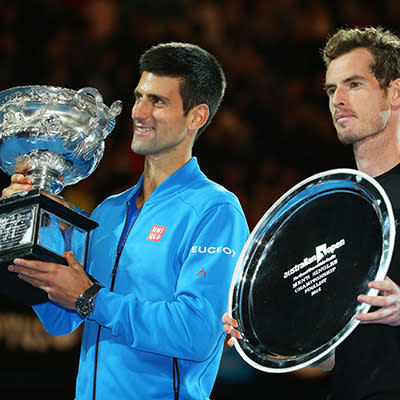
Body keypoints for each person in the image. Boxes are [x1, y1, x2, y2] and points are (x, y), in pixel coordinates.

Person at [4, 42, 249, 400]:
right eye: (139, 97)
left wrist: (91, 298)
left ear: (196, 116)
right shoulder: (108, 212)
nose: (139, 113)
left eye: (158, 102)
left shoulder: (215, 209)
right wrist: (26, 220)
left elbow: (195, 333)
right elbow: (61, 320)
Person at [222, 26, 400, 399]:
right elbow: (332, 356)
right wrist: (264, 332)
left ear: (394, 92)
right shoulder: (333, 210)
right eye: (332, 89)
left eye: (354, 85)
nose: (338, 100)